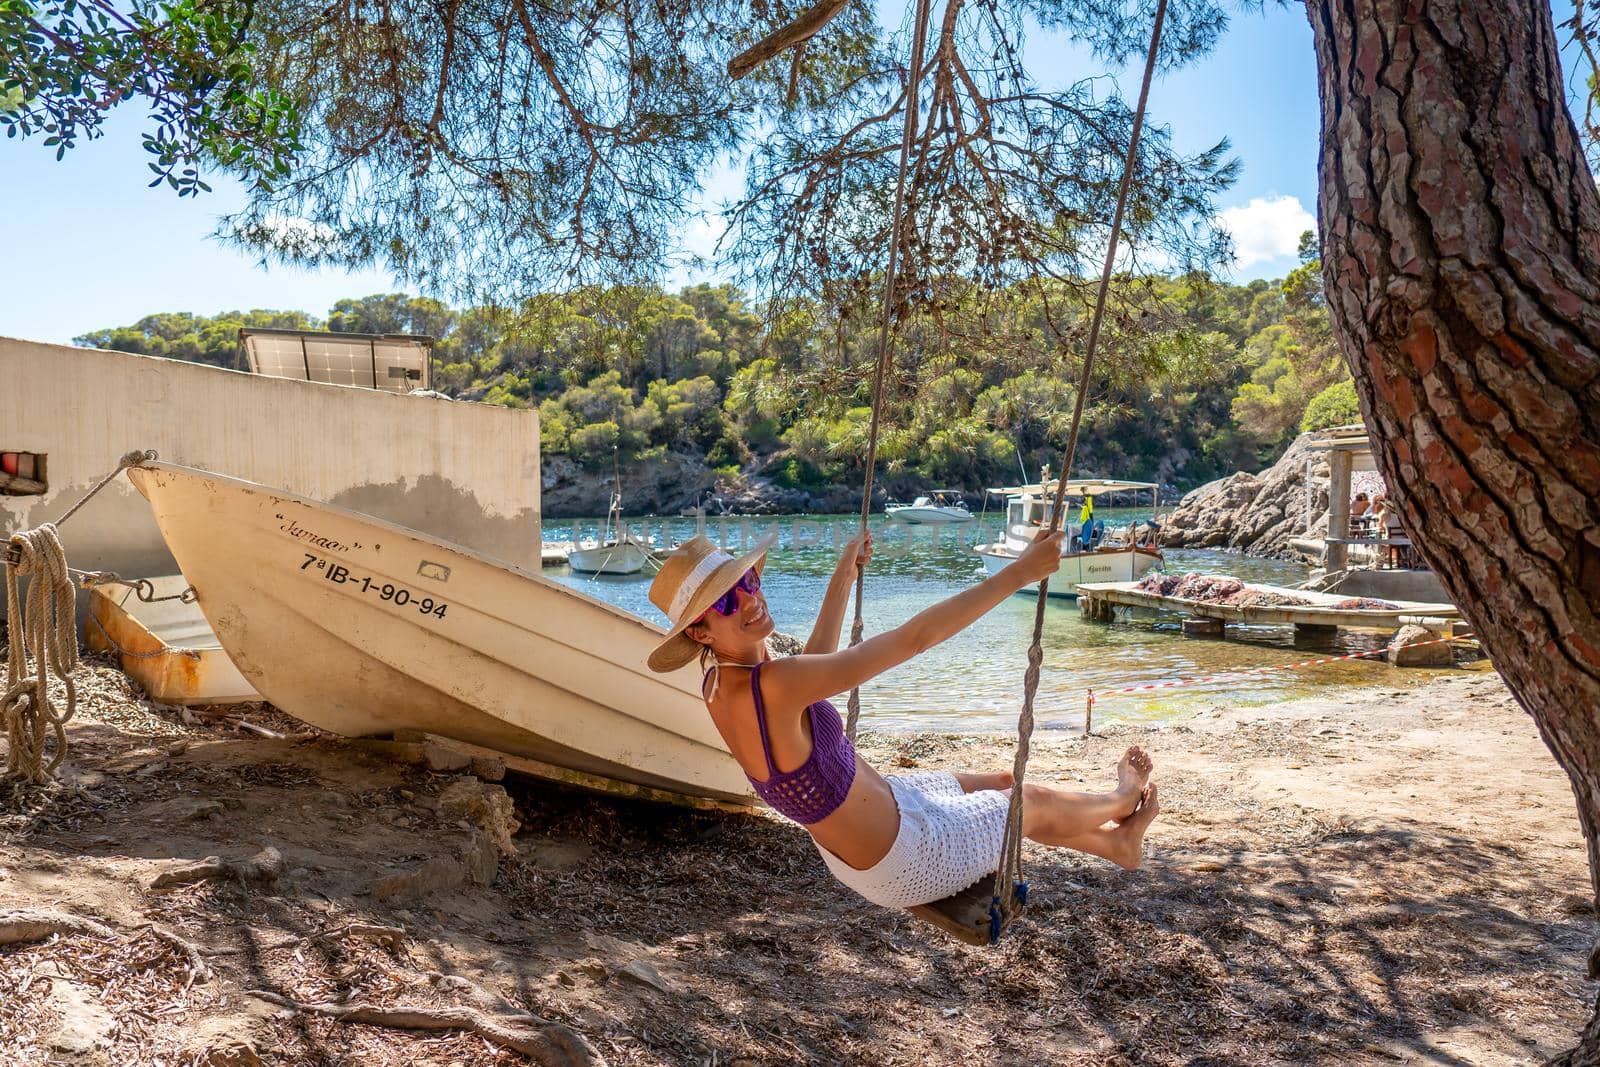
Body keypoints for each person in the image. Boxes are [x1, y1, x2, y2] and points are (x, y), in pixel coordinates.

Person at [645, 530, 1159, 912]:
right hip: (905, 857)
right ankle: (1121, 800)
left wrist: (842, 577)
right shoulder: (771, 684)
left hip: (881, 822)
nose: (751, 600)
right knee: (1029, 803)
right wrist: (1019, 574)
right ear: (702, 633)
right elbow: (914, 640)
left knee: (999, 782)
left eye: (749, 581)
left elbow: (812, 672)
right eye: (727, 602)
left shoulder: (721, 680)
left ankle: (1116, 843)